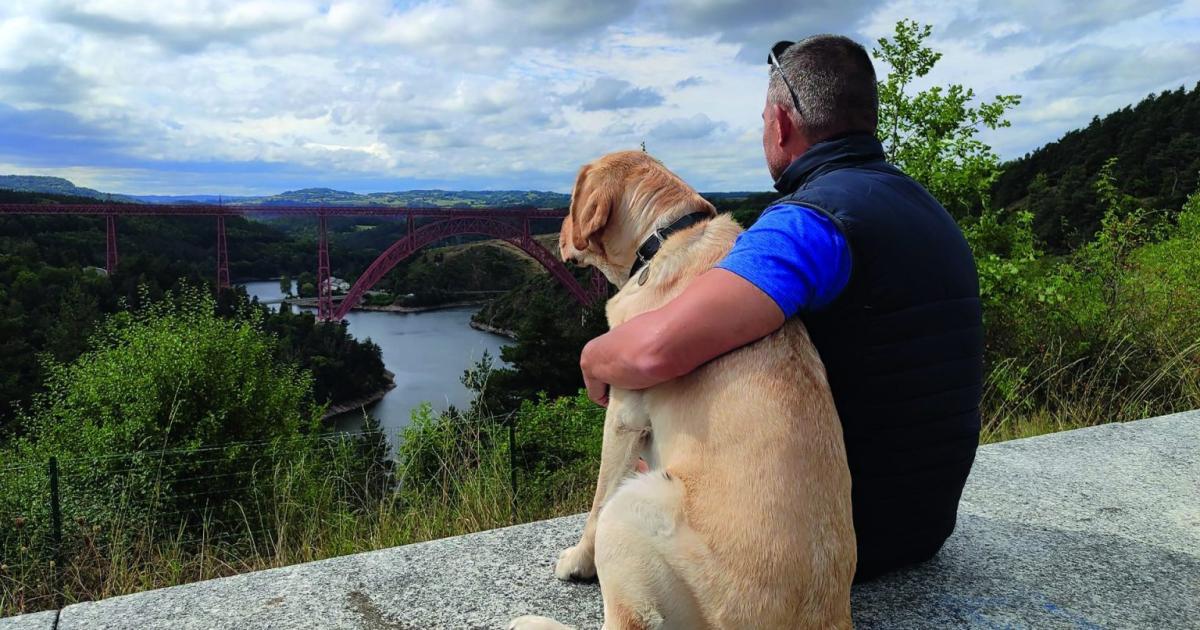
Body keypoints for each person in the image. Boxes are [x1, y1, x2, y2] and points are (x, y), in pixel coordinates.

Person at [578, 34, 983, 582]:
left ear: (781, 124)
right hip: (925, 524)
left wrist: (595, 356)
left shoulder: (808, 223)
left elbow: (656, 351)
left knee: (651, 487)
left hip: (821, 544)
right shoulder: (927, 209)